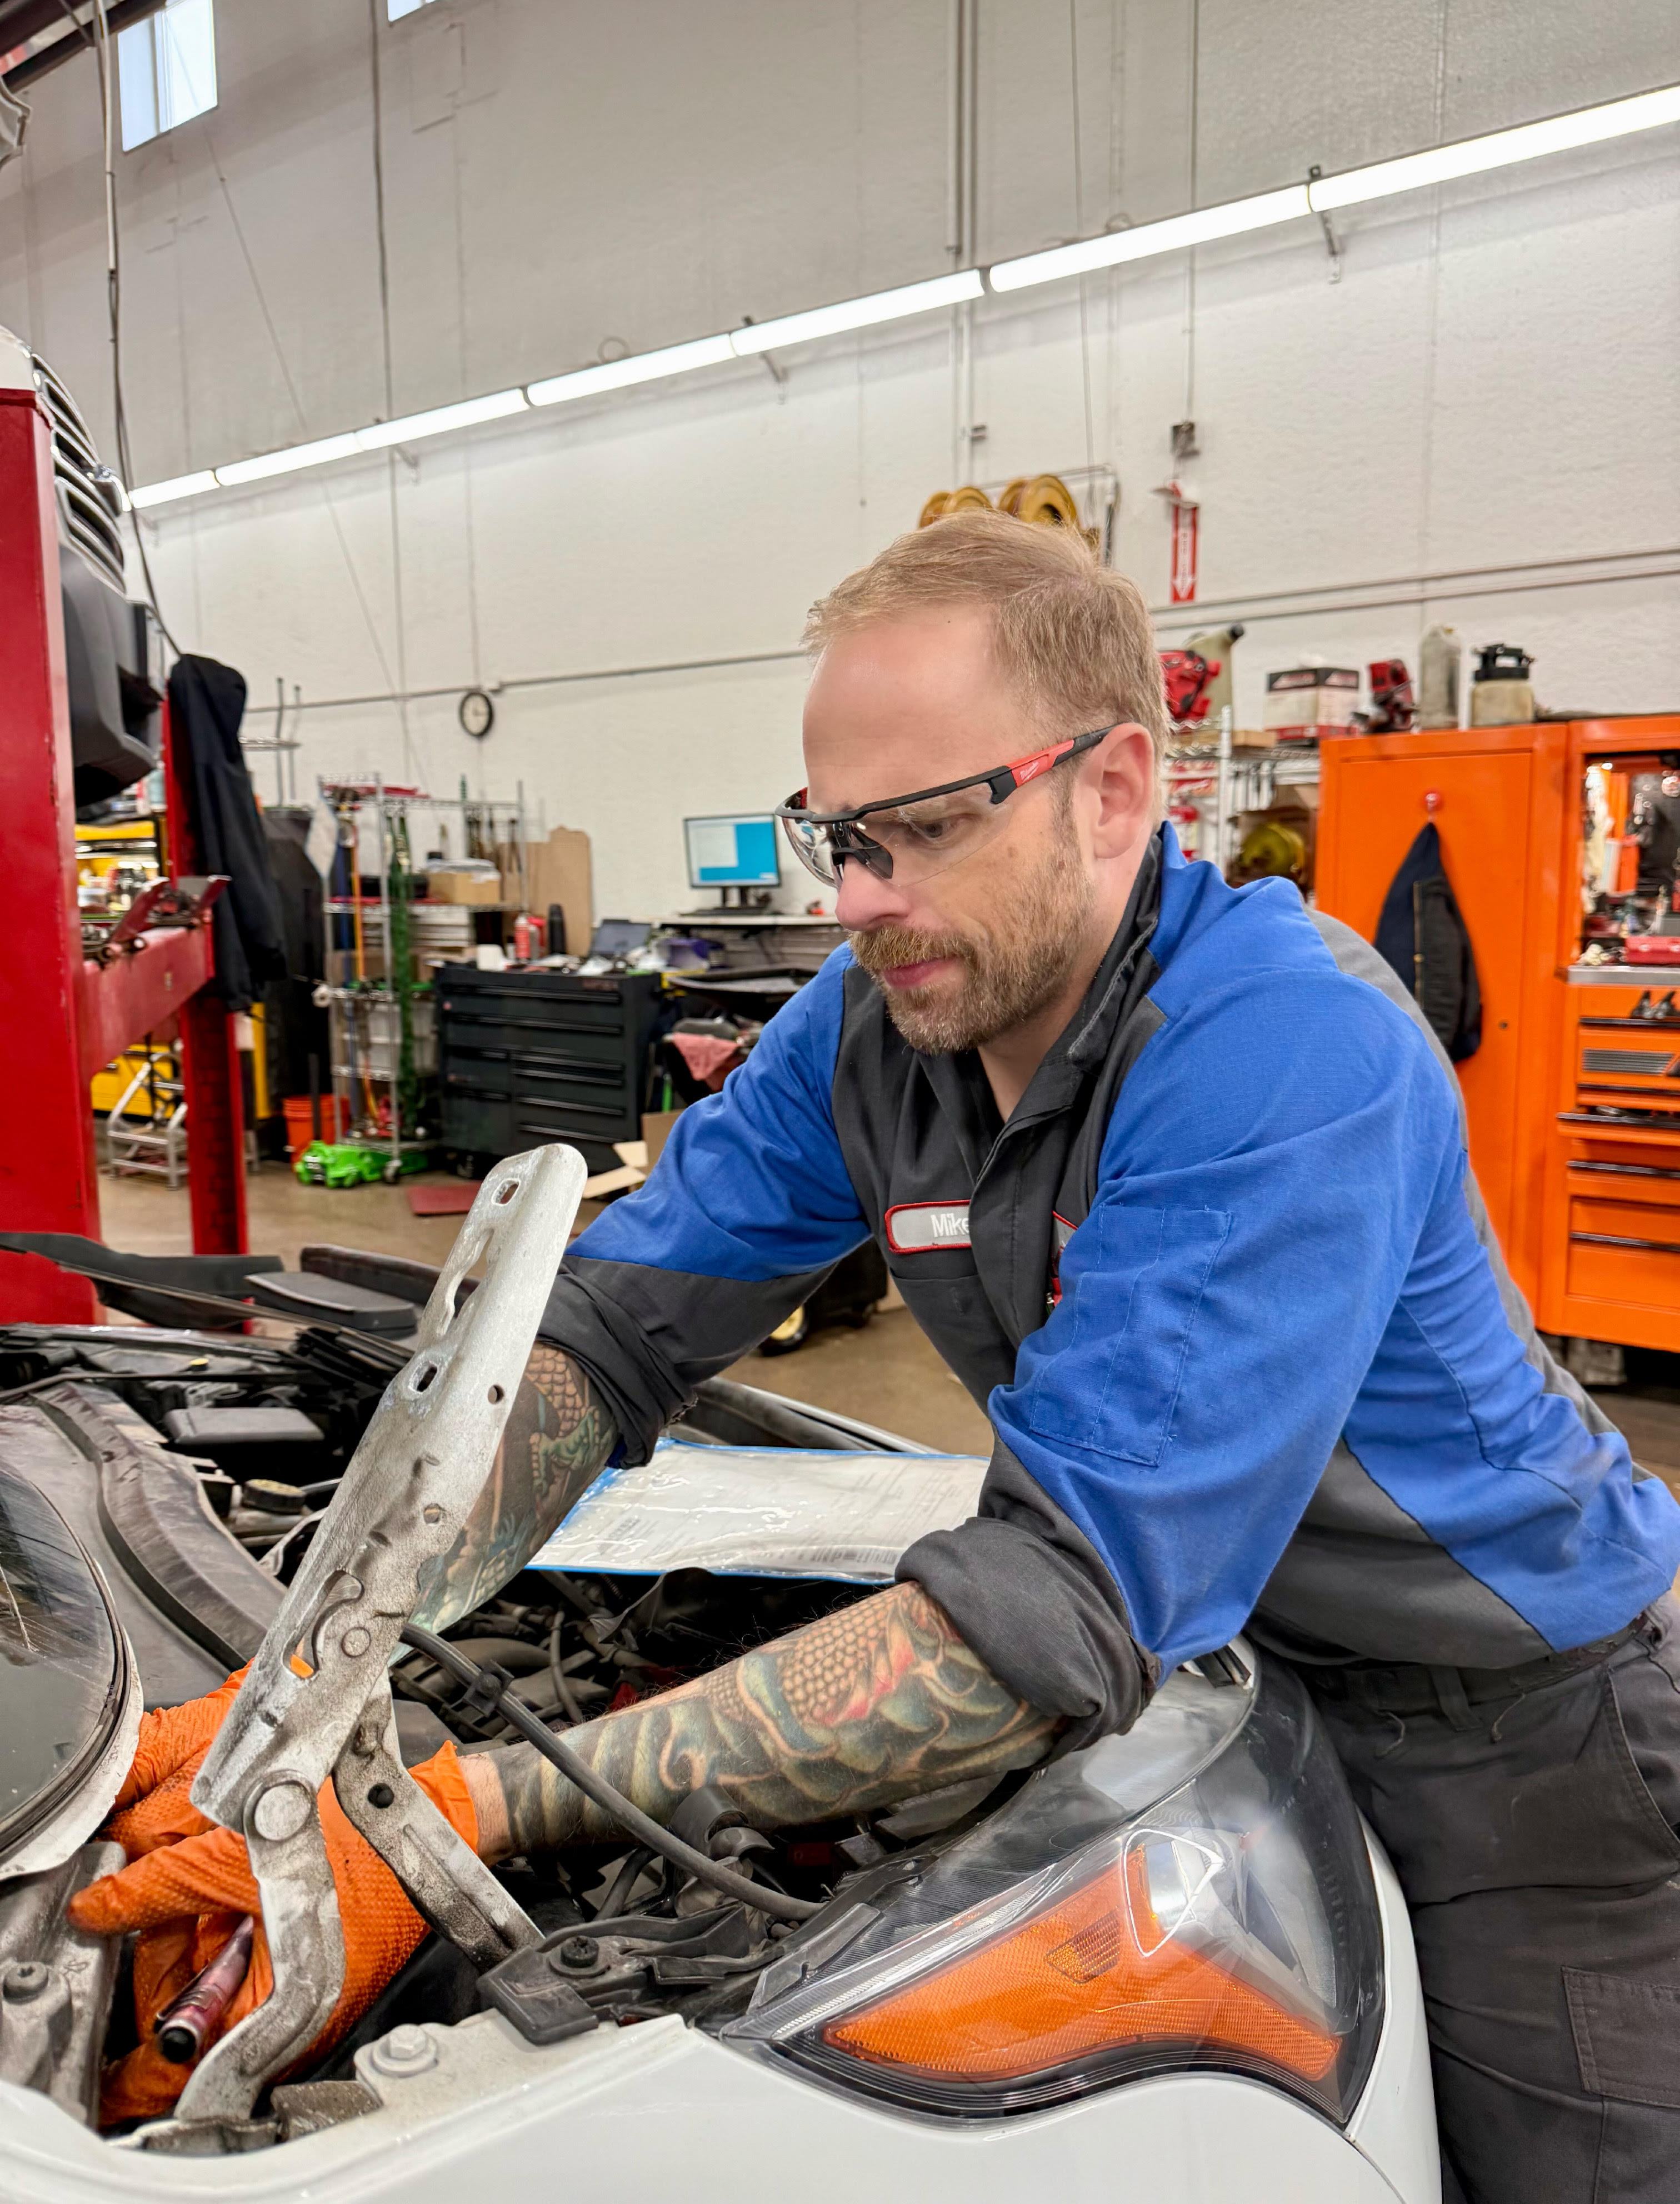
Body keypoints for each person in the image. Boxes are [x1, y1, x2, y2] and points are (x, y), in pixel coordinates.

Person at [76, 513, 1680, 2201]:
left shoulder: (1287, 1048)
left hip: (1523, 1743)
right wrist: (334, 1653)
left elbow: (1046, 1616)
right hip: (1236, 1661)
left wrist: (457, 1811)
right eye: (836, 835)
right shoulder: (876, 1025)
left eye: (920, 830)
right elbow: (607, 1337)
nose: (857, 899)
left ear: (1117, 790)